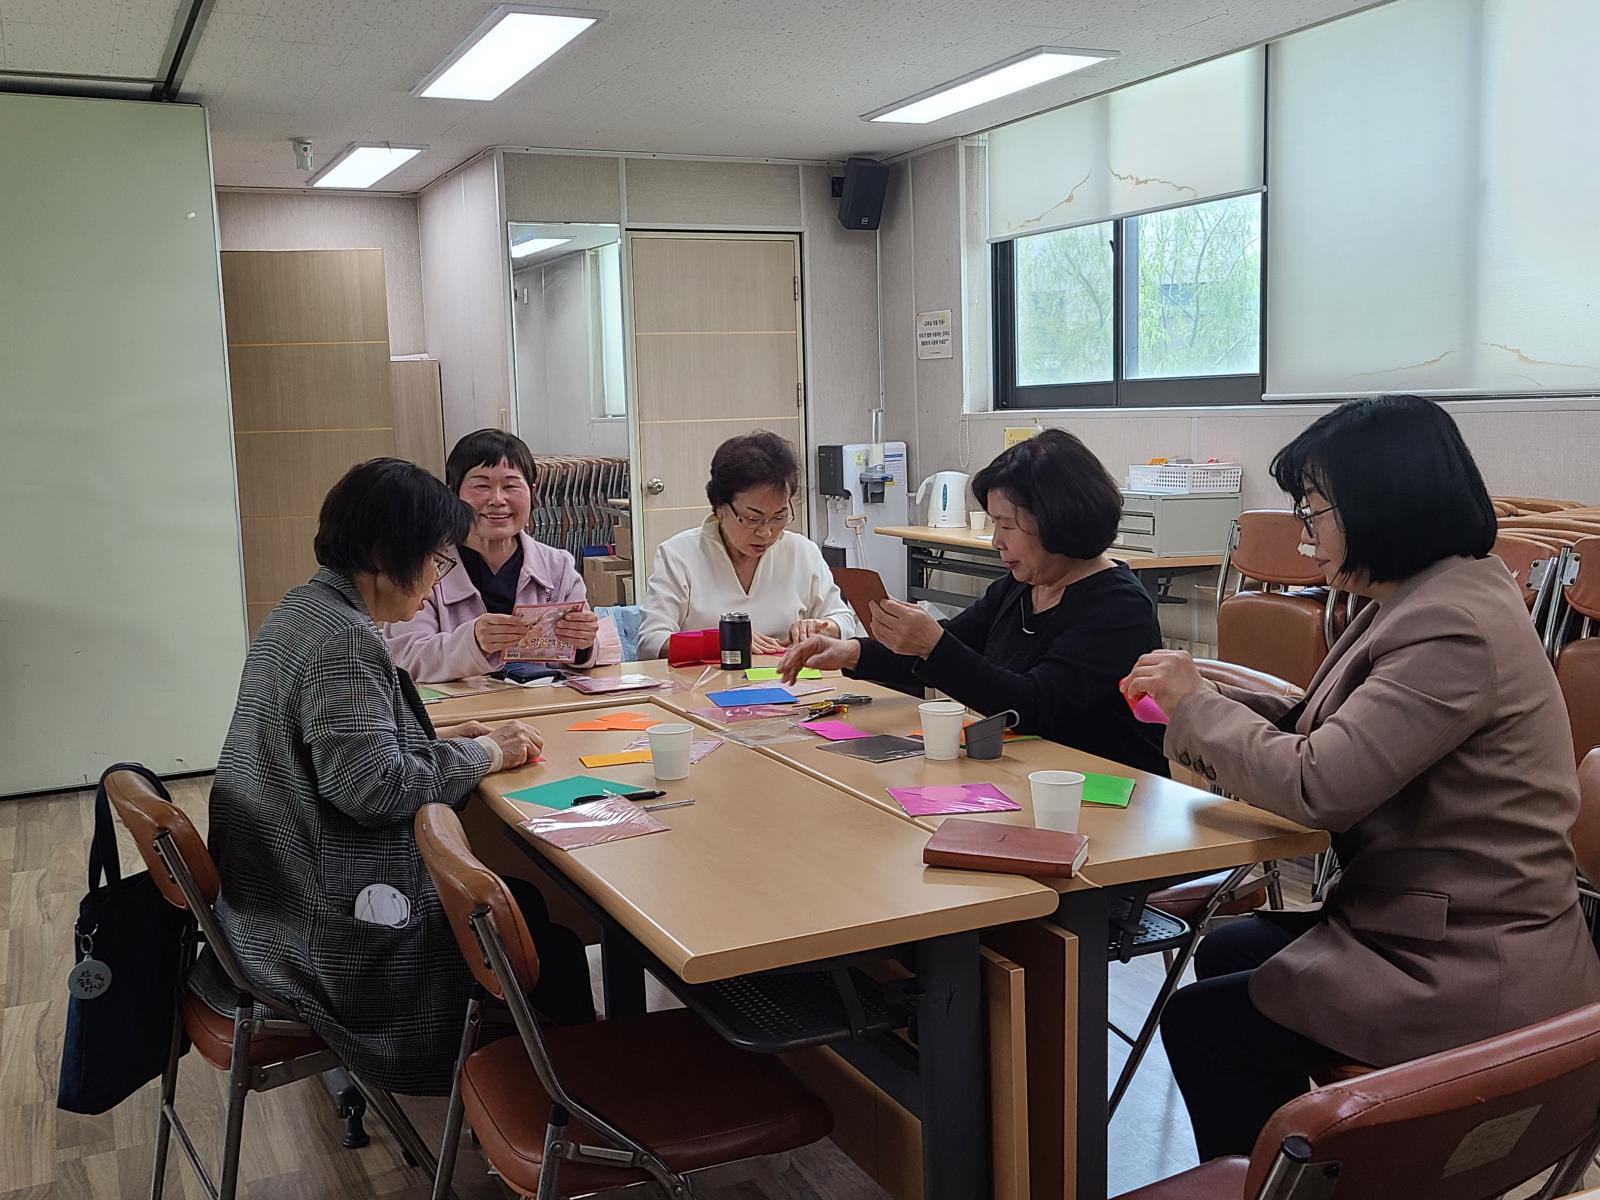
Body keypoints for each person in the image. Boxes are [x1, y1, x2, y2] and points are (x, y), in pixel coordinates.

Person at [1123, 396, 1600, 1161]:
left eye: (1313, 512)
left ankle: (1318, 1168)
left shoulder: (1453, 625)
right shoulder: (1428, 595)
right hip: (1432, 922)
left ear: (1382, 502)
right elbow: (1329, 731)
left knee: (1202, 1023)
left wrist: (1199, 706)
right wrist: (1202, 702)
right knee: (1227, 953)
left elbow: (1319, 785)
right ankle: (1337, 1159)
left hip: (1474, 960)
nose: (1307, 539)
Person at [209, 458, 595, 1096]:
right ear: (390, 555)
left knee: (529, 908)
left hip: (268, 897)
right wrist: (487, 755)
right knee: (539, 934)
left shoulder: (306, 607)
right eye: (436, 559)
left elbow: (338, 748)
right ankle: (561, 1114)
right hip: (327, 925)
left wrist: (431, 739)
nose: (437, 575)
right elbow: (374, 789)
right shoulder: (345, 637)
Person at [781, 429, 1167, 774]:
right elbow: (950, 646)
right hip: (1027, 773)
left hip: (1105, 788)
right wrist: (848, 652)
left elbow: (1031, 705)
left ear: (1057, 521)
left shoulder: (1118, 607)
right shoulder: (1019, 587)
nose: (997, 541)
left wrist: (933, 644)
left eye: (1007, 525)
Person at [386, 429, 618, 682]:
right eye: (482, 486)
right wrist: (473, 642)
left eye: (511, 486)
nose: (497, 499)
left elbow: (584, 659)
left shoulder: (557, 566)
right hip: (461, 716)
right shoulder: (422, 566)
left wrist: (583, 644)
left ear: (532, 492)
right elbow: (403, 660)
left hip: (544, 709)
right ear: (453, 493)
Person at [637, 430, 860, 659]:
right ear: (720, 507)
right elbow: (651, 642)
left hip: (789, 683)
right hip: (704, 687)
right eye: (752, 518)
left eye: (779, 516)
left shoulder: (801, 552)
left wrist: (820, 626)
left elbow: (844, 621)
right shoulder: (679, 555)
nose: (766, 532)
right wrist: (721, 641)